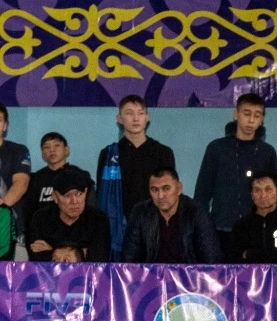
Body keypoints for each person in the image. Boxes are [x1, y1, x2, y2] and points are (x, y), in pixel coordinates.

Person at [194, 92, 277, 255]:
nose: (251, 120)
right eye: (247, 114)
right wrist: (201, 228)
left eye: (257, 115)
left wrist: (274, 229)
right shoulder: (216, 148)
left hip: (256, 230)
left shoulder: (267, 152)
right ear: (236, 115)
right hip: (220, 228)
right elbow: (202, 192)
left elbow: (273, 195)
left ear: (262, 120)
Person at [96, 95, 176, 259]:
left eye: (140, 113)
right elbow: (101, 196)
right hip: (119, 229)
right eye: (129, 113)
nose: (135, 118)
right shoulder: (109, 154)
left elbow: (170, 194)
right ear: (119, 119)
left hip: (155, 226)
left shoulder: (163, 152)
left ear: (147, 117)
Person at [120, 167, 221, 264]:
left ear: (179, 188)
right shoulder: (140, 212)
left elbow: (212, 260)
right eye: (154, 190)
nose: (160, 196)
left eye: (166, 189)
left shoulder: (197, 213)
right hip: (151, 275)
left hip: (188, 275)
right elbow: (128, 261)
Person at [27, 168, 111, 262]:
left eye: (79, 194)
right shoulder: (41, 218)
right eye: (67, 195)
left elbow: (98, 261)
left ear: (86, 192)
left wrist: (52, 250)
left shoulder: (98, 219)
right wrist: (80, 252)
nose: (74, 201)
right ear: (55, 197)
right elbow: (36, 258)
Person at [228, 172, 277, 263]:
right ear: (252, 195)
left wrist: (249, 254)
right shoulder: (241, 226)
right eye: (257, 190)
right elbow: (235, 261)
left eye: (268, 190)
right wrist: (275, 250)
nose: (263, 195)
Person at [24, 132, 90, 228]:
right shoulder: (35, 179)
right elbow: (29, 211)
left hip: (75, 230)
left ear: (66, 150)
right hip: (43, 230)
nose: (52, 150)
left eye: (57, 145)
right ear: (42, 154)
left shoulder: (80, 175)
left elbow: (89, 207)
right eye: (47, 147)